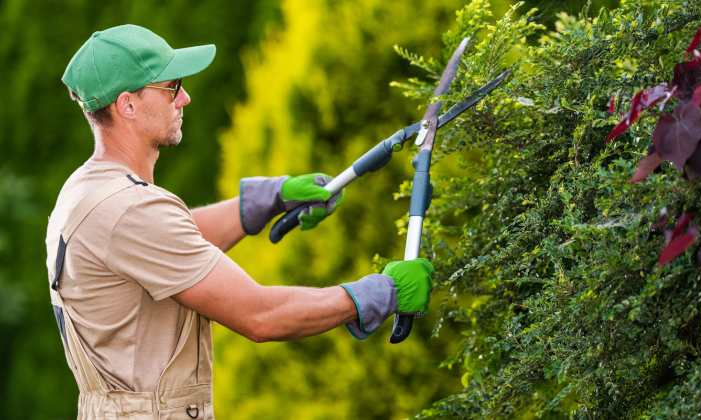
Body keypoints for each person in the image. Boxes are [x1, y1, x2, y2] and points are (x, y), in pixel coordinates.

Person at [46, 24, 434, 419]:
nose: (185, 98)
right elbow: (261, 315)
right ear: (127, 105)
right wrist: (379, 293)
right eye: (172, 87)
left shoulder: (88, 191)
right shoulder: (130, 210)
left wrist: (269, 199)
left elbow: (171, 243)